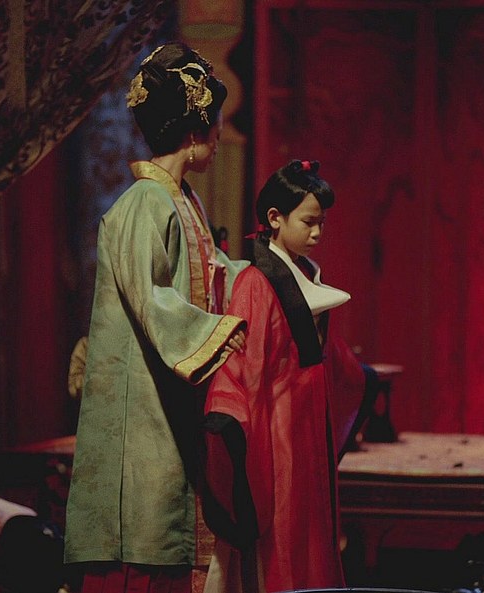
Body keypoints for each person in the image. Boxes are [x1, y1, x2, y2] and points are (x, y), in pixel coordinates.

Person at [63, 42, 249, 593]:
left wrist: (270, 284)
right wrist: (221, 331)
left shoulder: (180, 200)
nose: (219, 135)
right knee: (142, 546)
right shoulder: (145, 204)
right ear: (194, 131)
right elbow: (156, 301)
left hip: (168, 403)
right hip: (141, 411)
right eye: (214, 123)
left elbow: (218, 272)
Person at [201, 160, 378, 593]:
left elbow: (326, 357)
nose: (317, 233)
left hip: (308, 427)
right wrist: (230, 417)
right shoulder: (254, 282)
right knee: (280, 532)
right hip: (275, 432)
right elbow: (244, 364)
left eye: (321, 223)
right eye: (308, 222)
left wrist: (361, 380)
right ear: (275, 218)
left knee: (312, 534)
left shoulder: (305, 274)